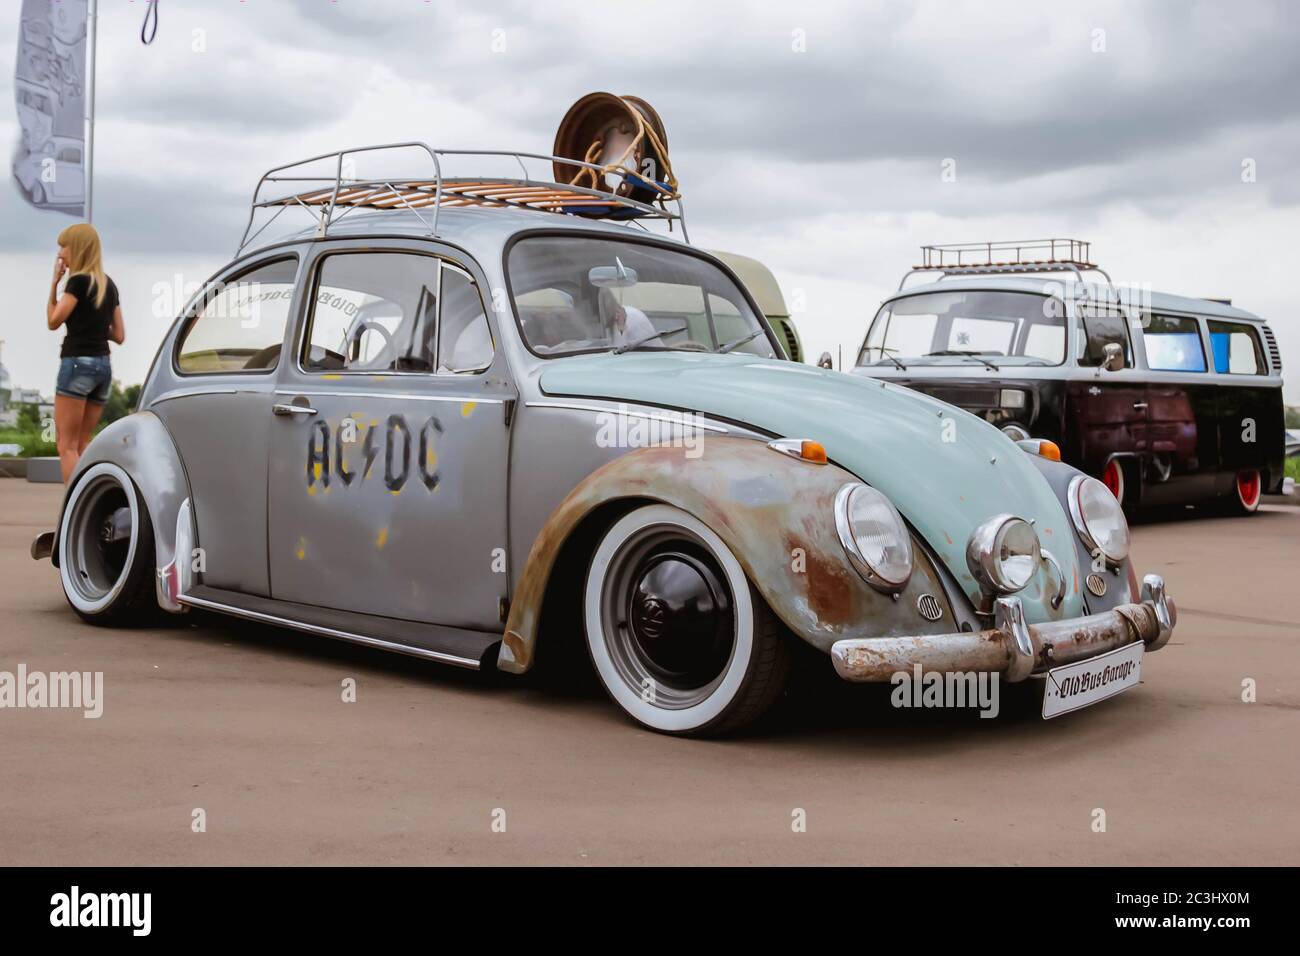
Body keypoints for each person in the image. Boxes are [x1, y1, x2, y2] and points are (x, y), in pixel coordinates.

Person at [46, 223, 124, 483]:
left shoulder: (77, 283)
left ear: (77, 248)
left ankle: (74, 512)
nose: (60, 253)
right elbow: (120, 335)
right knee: (82, 445)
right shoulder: (108, 285)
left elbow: (54, 321)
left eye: (64, 246)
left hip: (77, 364)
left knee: (66, 446)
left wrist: (55, 283)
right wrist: (97, 324)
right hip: (103, 367)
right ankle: (92, 511)